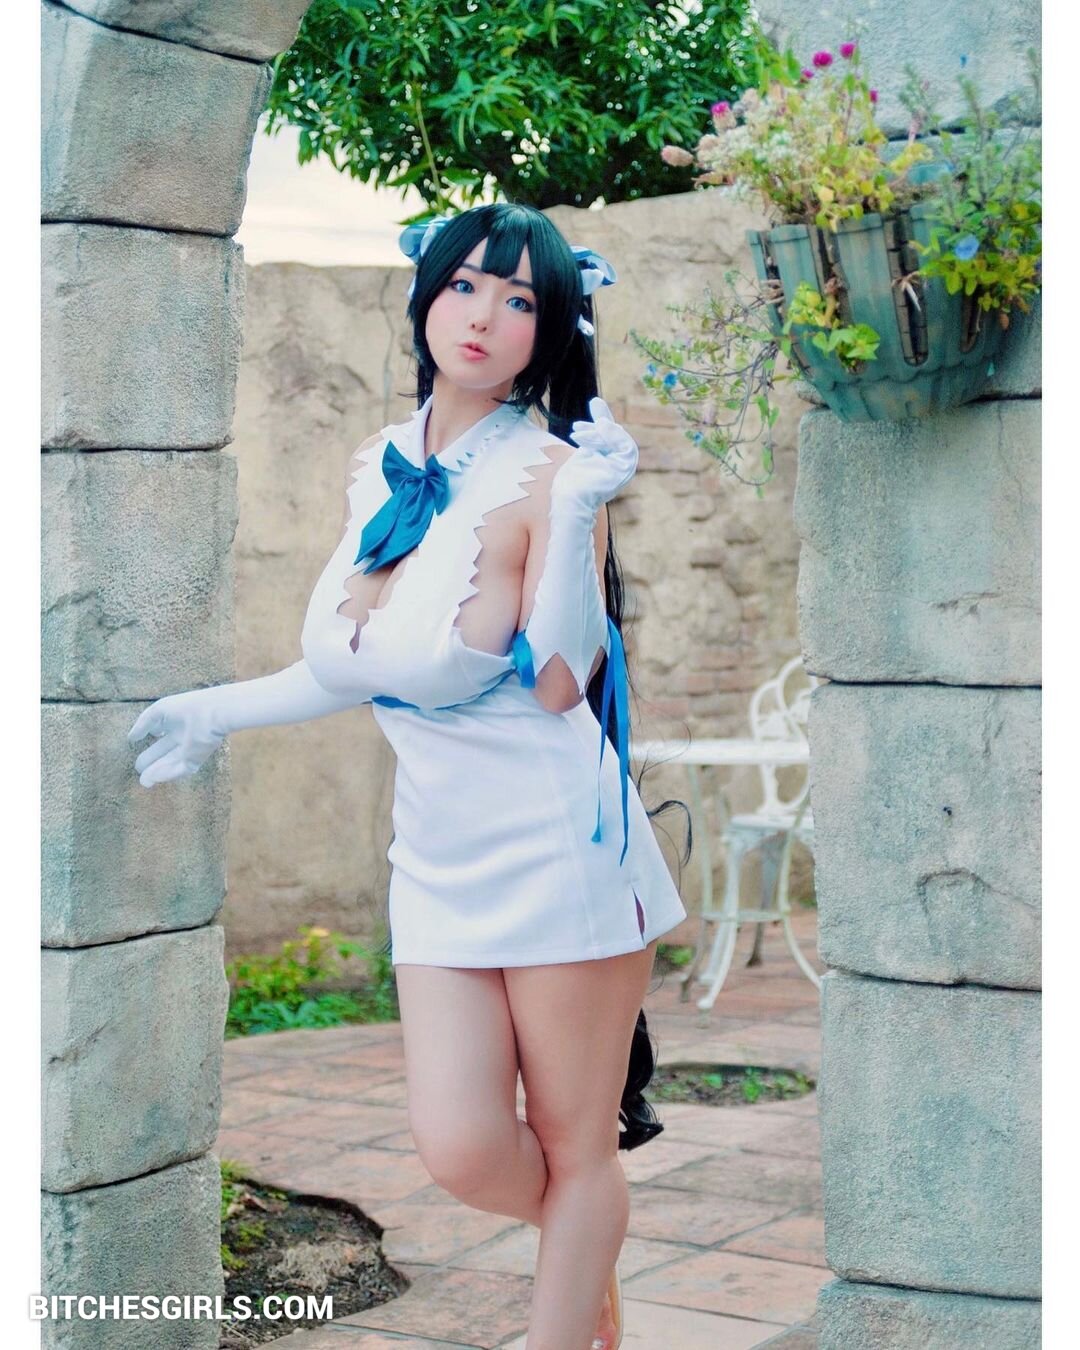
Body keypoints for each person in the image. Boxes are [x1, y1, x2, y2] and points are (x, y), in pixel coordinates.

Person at [127, 202, 689, 1350]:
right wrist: (210, 712)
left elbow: (560, 683)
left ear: (550, 330)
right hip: (436, 858)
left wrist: (580, 514)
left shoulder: (553, 472)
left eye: (519, 299)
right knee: (462, 1148)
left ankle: (568, 1299)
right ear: (426, 296)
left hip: (562, 853)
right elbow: (350, 665)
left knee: (575, 1147)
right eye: (465, 284)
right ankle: (583, 1254)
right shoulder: (375, 465)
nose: (483, 315)